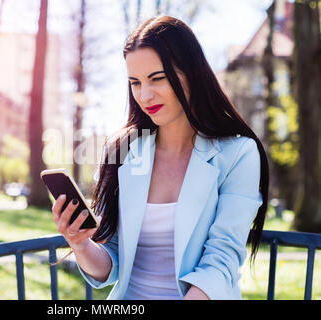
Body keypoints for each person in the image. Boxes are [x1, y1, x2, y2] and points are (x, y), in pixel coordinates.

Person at [51, 16, 269, 300]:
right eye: (135, 82)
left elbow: (222, 260)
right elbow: (110, 263)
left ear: (191, 73)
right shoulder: (123, 150)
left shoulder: (238, 154)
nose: (144, 95)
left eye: (157, 79)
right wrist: (79, 244)